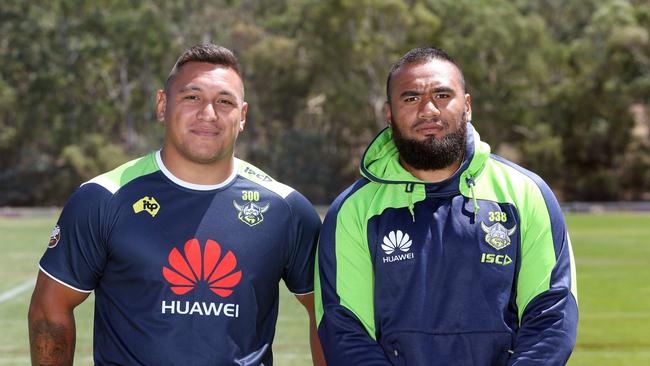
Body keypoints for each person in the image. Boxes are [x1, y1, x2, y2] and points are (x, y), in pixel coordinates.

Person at [29, 43, 325, 366]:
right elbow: (49, 309)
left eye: (224, 102)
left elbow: (327, 315)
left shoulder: (287, 210)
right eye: (192, 97)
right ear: (162, 105)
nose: (208, 114)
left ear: (242, 117)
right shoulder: (103, 198)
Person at [315, 46, 578, 365]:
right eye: (410, 98)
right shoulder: (354, 210)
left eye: (442, 95)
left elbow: (551, 318)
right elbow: (346, 331)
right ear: (389, 113)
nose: (428, 110)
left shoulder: (525, 194)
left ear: (466, 105)